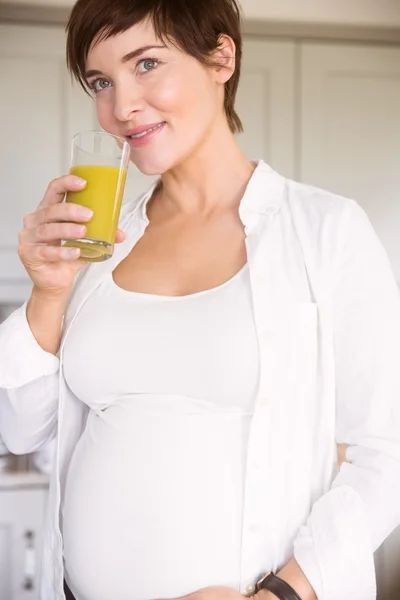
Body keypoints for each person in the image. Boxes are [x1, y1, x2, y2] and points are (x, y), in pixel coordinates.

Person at [1, 0, 400, 599]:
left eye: (147, 64)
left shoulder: (326, 230)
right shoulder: (98, 242)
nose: (121, 107)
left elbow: (385, 454)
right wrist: (48, 292)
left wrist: (281, 596)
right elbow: (19, 428)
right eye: (102, 82)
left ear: (221, 56)